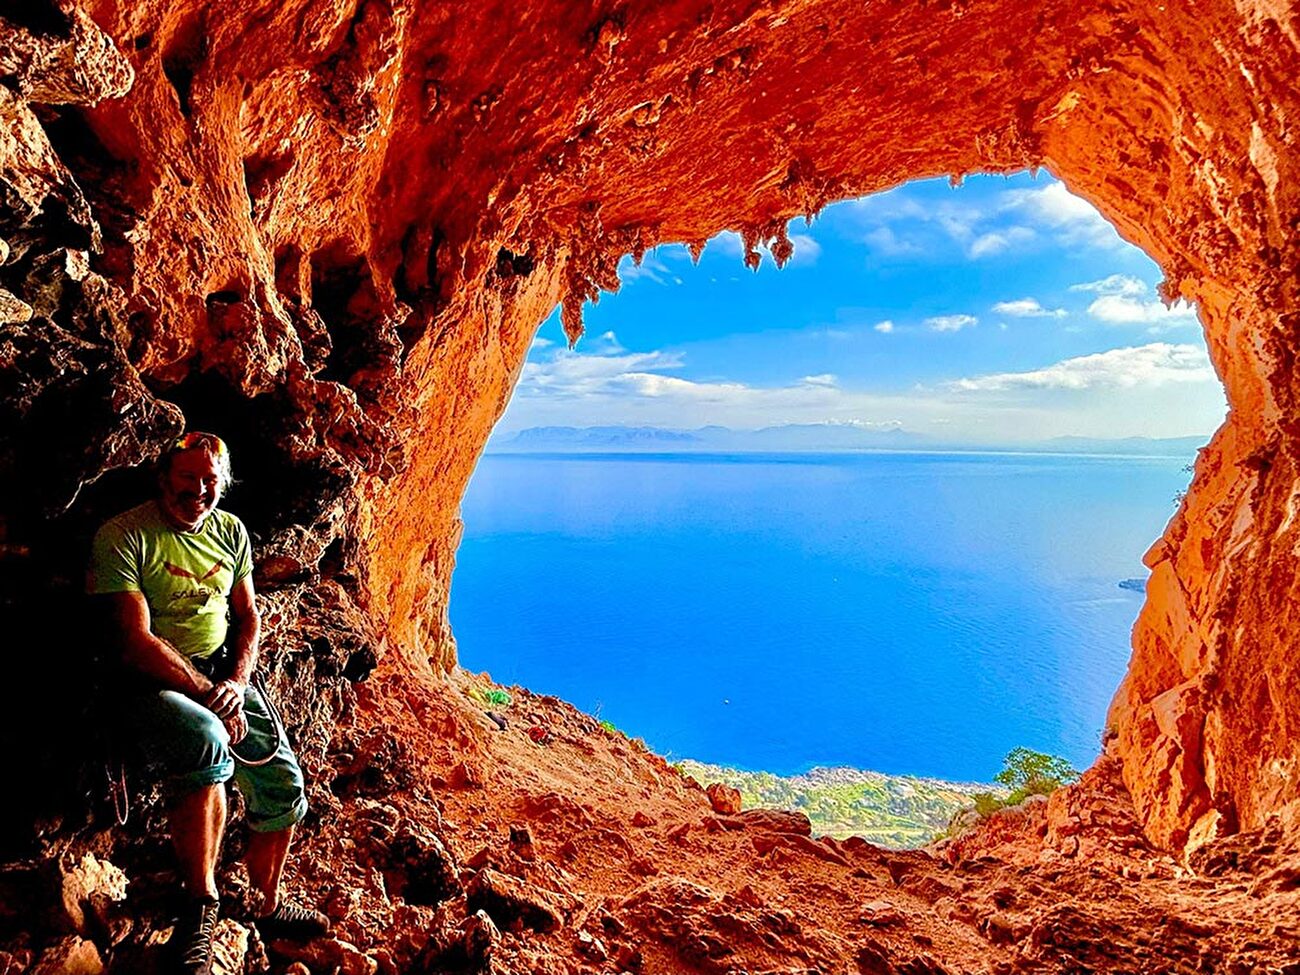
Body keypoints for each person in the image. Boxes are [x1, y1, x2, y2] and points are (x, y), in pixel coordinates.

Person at [89, 432, 329, 975]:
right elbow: (134, 640)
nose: (198, 491)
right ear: (163, 479)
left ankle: (266, 903)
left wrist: (238, 684)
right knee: (206, 738)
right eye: (186, 479)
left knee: (284, 785)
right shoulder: (124, 536)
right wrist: (211, 696)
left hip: (222, 675)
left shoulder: (230, 531)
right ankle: (201, 909)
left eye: (210, 481)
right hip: (150, 679)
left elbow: (248, 617)